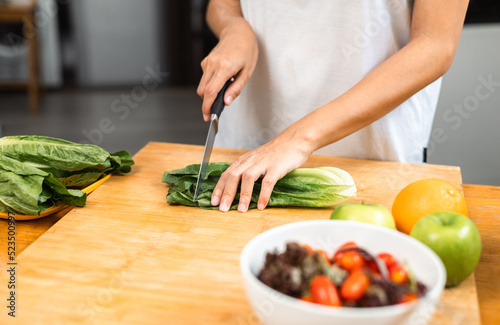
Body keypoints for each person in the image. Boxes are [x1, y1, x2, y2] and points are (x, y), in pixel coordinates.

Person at [196, 0, 469, 213]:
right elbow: (222, 5)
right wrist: (233, 27)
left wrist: (297, 139)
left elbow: (436, 44)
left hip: (373, 160)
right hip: (247, 149)